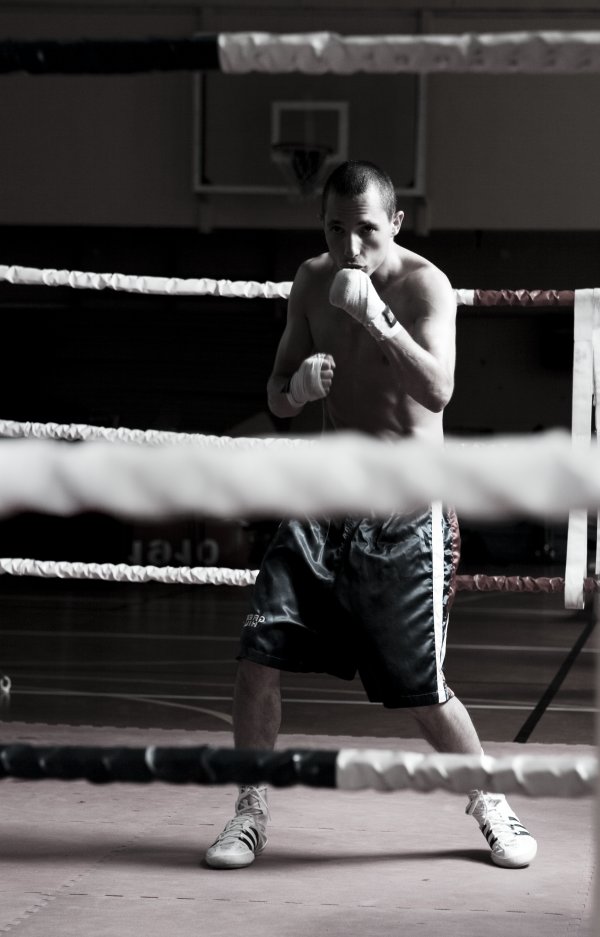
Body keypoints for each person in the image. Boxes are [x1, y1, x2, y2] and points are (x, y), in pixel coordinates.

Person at [205, 160, 537, 871]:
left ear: (396, 223)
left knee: (422, 690)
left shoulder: (425, 286)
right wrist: (296, 389)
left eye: (365, 229)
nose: (349, 246)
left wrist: (378, 320)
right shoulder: (309, 281)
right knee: (257, 655)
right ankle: (249, 809)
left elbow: (439, 390)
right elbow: (276, 395)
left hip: (406, 513)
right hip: (325, 503)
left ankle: (489, 801)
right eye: (334, 228)